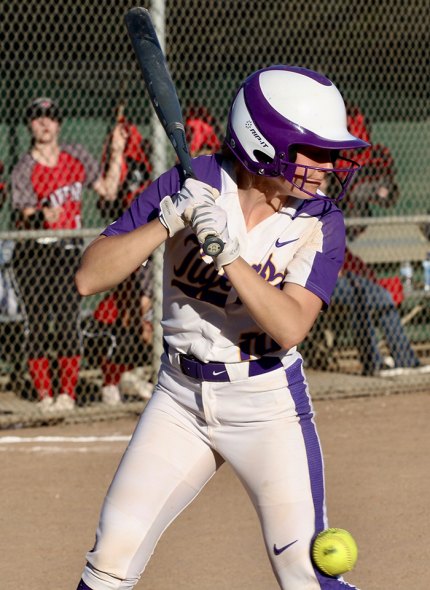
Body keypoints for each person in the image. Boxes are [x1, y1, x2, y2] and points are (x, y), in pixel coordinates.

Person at [74, 65, 368, 589]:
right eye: (314, 151)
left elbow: (290, 326)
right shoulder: (192, 184)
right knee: (110, 558)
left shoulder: (321, 220)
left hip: (267, 404)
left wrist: (229, 255)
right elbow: (89, 277)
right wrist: (168, 223)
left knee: (306, 574)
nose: (328, 165)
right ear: (264, 145)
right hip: (179, 400)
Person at [11, 96, 127, 412]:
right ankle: (45, 395)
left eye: (50, 117)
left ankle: (67, 395)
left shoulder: (76, 156)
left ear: (60, 123)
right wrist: (40, 215)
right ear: (30, 124)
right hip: (33, 254)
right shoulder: (24, 167)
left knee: (66, 322)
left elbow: (108, 190)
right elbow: (22, 211)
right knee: (36, 324)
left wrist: (116, 152)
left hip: (68, 252)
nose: (44, 123)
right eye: (37, 117)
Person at [93, 114, 154, 405]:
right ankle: (113, 378)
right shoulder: (119, 161)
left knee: (148, 316)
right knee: (129, 315)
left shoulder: (151, 160)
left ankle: (135, 370)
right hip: (126, 242)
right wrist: (116, 151)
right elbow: (110, 195)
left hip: (156, 245)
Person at [331, 247, 427, 376]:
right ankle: (374, 363)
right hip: (321, 281)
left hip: (347, 277)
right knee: (358, 296)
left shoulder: (338, 237)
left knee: (383, 296)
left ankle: (406, 360)